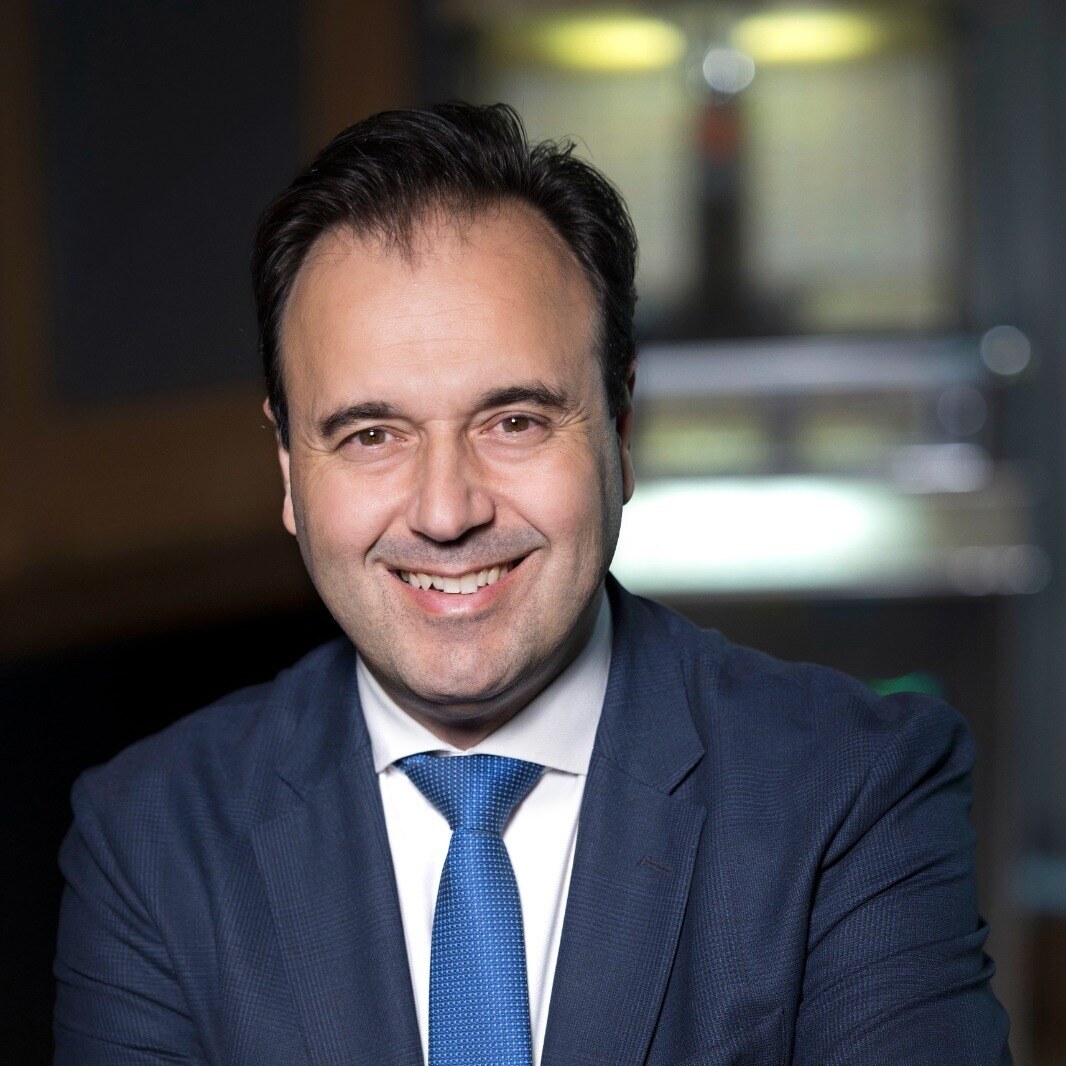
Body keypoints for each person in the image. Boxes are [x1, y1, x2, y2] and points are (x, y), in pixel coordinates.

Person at [54, 102, 1011, 1065]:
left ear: (620, 433)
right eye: (371, 435)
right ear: (289, 470)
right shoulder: (149, 839)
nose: (445, 511)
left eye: (514, 422)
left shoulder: (855, 789)